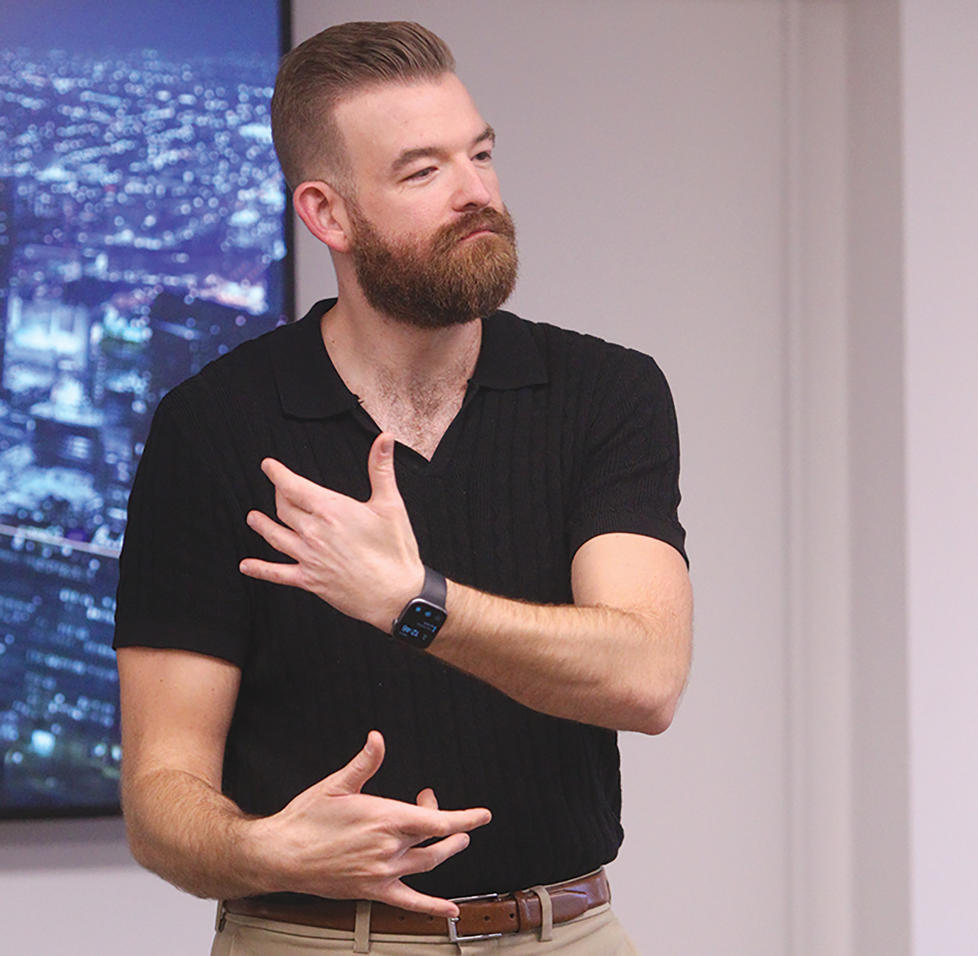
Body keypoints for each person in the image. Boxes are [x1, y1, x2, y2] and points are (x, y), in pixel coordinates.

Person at [114, 20, 692, 955]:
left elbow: (646, 678)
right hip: (309, 936)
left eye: (482, 154)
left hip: (566, 932)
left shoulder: (604, 392)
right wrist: (266, 849)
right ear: (327, 213)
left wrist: (413, 603)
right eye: (423, 173)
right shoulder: (213, 426)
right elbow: (160, 800)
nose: (477, 194)